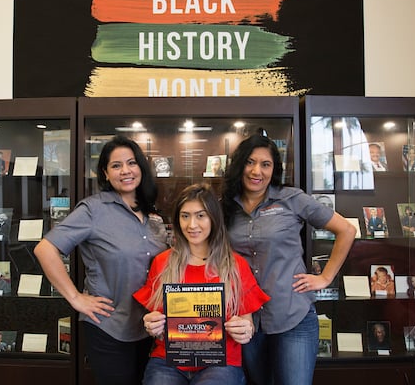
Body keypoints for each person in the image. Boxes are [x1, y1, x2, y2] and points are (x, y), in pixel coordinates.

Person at [221, 134, 356, 385]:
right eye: (250, 162)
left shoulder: (292, 199)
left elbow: (346, 230)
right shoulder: (225, 207)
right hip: (246, 318)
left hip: (293, 316)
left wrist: (325, 277)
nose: (256, 171)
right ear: (239, 165)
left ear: (274, 169)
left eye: (265, 164)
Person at [34, 135, 168, 385]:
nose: (125, 171)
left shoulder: (150, 213)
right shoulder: (93, 210)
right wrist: (76, 298)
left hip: (150, 327)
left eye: (131, 163)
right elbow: (45, 249)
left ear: (141, 167)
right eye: (116, 166)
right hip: (110, 327)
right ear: (105, 173)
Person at [134, 183, 270, 385]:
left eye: (200, 215)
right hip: (169, 360)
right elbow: (155, 322)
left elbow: (247, 321)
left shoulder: (236, 265)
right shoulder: (162, 263)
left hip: (221, 362)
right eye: (185, 216)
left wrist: (245, 329)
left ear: (213, 218)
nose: (192, 225)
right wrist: (152, 324)